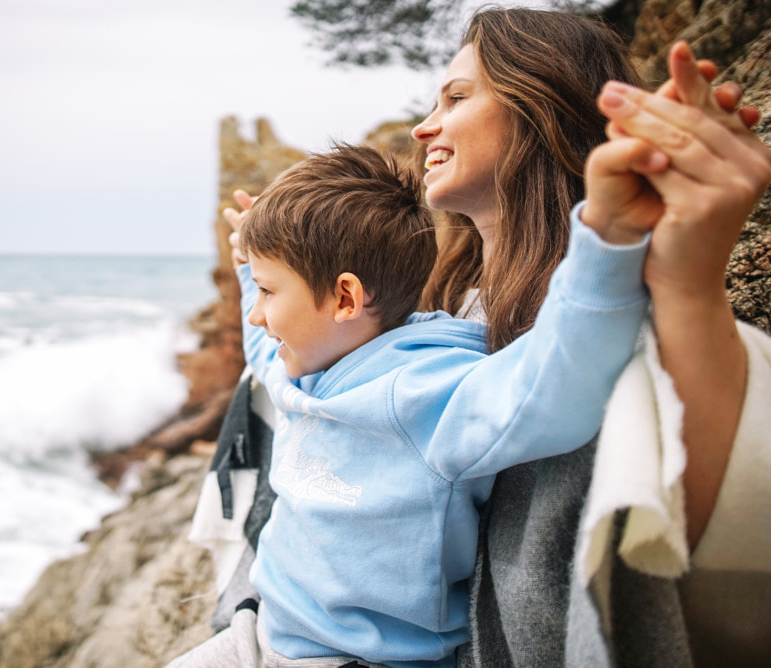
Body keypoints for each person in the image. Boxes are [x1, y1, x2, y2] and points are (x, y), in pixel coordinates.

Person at [190, 7, 771, 666]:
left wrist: (636, 249)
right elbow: (274, 354)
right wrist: (254, 273)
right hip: (274, 626)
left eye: (457, 97)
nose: (421, 126)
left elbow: (569, 397)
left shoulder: (477, 359)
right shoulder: (432, 311)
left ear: (539, 107)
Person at [170, 142, 652, 668]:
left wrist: (608, 240)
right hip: (265, 631)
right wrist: (248, 270)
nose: (258, 315)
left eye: (269, 292)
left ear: (346, 299)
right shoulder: (307, 366)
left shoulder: (423, 392)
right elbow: (261, 345)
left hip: (356, 661)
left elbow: (551, 387)